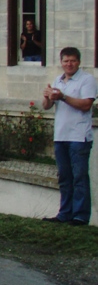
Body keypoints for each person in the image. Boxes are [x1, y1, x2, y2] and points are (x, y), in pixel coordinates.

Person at [41, 47, 96, 226]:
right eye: (66, 61)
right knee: (64, 177)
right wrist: (48, 97)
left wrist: (63, 97)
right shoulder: (58, 80)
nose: (69, 64)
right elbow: (47, 106)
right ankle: (64, 213)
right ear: (61, 62)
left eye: (72, 61)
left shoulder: (87, 80)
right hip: (61, 135)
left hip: (79, 136)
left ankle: (80, 215)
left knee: (79, 176)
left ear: (78, 62)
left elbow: (86, 104)